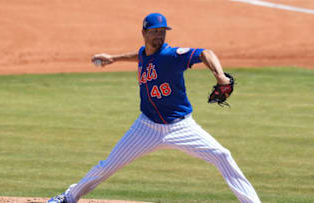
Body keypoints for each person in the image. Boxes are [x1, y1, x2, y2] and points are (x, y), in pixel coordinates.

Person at [48, 13, 261, 203]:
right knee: (108, 165)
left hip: (182, 127)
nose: (159, 36)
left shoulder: (172, 55)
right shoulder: (144, 53)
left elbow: (205, 53)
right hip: (146, 127)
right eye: (154, 32)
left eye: (162, 32)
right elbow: (141, 56)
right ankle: (69, 197)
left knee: (222, 155)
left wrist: (220, 76)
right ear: (144, 32)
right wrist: (113, 58)